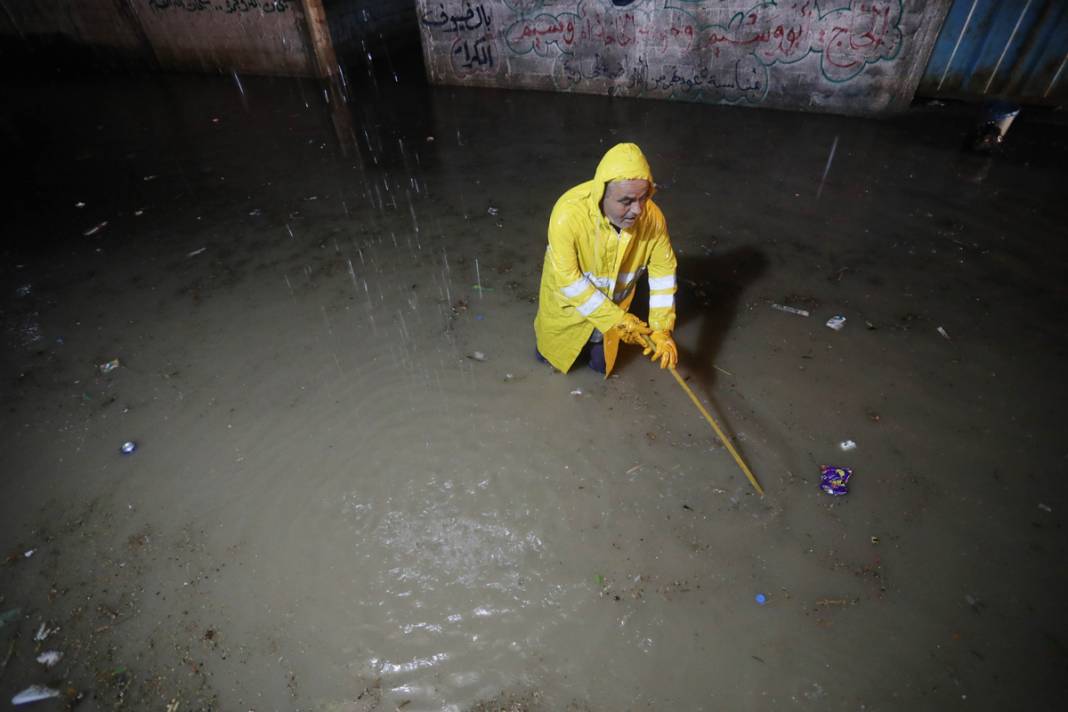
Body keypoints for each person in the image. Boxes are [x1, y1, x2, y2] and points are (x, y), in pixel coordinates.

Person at [534, 143, 678, 376]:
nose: (638, 210)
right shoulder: (568, 215)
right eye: (626, 201)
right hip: (569, 313)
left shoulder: (653, 220)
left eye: (644, 198)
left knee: (602, 368)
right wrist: (617, 321)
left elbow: (663, 274)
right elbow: (568, 281)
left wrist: (662, 330)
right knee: (551, 359)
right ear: (602, 194)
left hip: (612, 321)